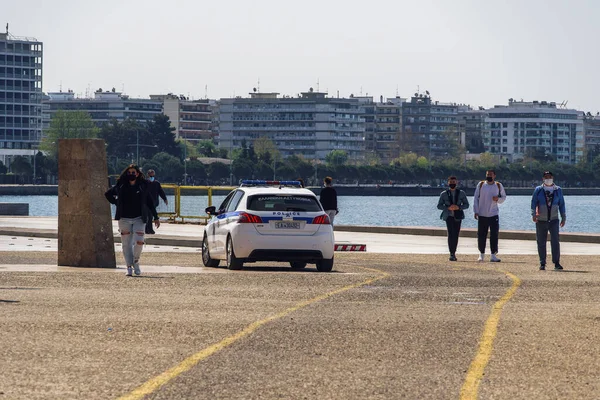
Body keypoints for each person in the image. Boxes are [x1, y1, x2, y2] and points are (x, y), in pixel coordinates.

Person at [105, 164, 160, 276]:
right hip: (124, 219)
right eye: (129, 173)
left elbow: (149, 202)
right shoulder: (121, 186)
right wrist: (117, 203)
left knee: (139, 242)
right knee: (126, 244)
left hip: (139, 218)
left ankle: (136, 261)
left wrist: (156, 217)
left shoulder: (143, 186)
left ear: (138, 174)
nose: (131, 175)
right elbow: (108, 194)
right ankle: (129, 267)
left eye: (133, 173)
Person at [531, 171, 566, 270]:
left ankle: (556, 262)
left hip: (554, 220)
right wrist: (533, 214)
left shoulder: (558, 190)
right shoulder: (538, 190)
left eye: (549, 177)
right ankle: (542, 263)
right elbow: (533, 203)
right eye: (546, 177)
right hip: (541, 220)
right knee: (541, 242)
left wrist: (563, 217)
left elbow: (562, 204)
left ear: (553, 177)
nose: (548, 178)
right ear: (543, 179)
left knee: (555, 241)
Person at [473, 169, 506, 262]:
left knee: (494, 234)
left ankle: (493, 255)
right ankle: (481, 254)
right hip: (482, 214)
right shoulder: (481, 185)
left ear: (494, 176)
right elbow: (476, 198)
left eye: (491, 174)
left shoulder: (498, 185)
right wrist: (476, 211)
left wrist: (498, 199)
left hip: (493, 214)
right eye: (487, 174)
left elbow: (503, 197)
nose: (489, 176)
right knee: (481, 235)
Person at [437, 176, 470, 261]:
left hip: (458, 216)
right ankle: (451, 253)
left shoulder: (461, 193)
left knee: (456, 234)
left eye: (454, 182)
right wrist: (447, 208)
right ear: (448, 183)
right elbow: (439, 206)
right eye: (451, 182)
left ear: (457, 183)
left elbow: (466, 205)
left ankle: (454, 251)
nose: (452, 183)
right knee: (450, 234)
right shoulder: (444, 194)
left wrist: (458, 207)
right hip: (448, 216)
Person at [145, 169, 168, 234]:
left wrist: (165, 199)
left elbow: (161, 192)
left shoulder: (157, 183)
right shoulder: (145, 183)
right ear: (148, 175)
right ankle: (148, 229)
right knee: (148, 216)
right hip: (146, 203)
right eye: (150, 176)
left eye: (152, 176)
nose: (151, 177)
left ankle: (148, 229)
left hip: (154, 202)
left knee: (150, 216)